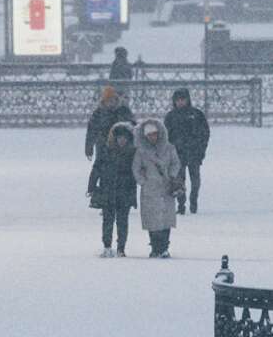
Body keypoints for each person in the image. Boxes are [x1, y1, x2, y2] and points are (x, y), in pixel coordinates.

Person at [133, 118, 184, 258]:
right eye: (149, 135)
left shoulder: (169, 148)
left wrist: (172, 176)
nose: (152, 137)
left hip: (166, 186)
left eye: (154, 134)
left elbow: (175, 163)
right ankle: (155, 247)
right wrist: (143, 182)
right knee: (152, 219)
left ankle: (164, 247)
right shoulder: (141, 152)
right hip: (150, 188)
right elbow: (136, 168)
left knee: (166, 218)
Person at [88, 120, 138, 257]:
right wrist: (91, 185)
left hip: (125, 191)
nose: (122, 140)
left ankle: (121, 247)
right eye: (119, 138)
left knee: (122, 221)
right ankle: (107, 245)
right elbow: (97, 168)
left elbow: (137, 171)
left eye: (124, 138)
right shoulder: (106, 151)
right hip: (108, 190)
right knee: (108, 220)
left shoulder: (132, 153)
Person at [165, 88, 211, 214]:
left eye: (182, 99)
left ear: (187, 100)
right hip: (178, 154)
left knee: (195, 180)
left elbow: (204, 134)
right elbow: (166, 136)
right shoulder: (171, 117)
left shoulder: (196, 115)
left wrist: (201, 150)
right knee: (179, 181)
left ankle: (194, 201)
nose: (180, 102)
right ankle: (181, 205)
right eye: (178, 100)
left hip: (194, 153)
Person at [84, 85, 134, 160]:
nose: (110, 102)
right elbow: (91, 131)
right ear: (103, 101)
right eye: (107, 100)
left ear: (115, 98)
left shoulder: (124, 110)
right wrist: (89, 149)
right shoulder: (98, 113)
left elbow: (133, 126)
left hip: (121, 145)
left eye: (111, 99)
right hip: (103, 147)